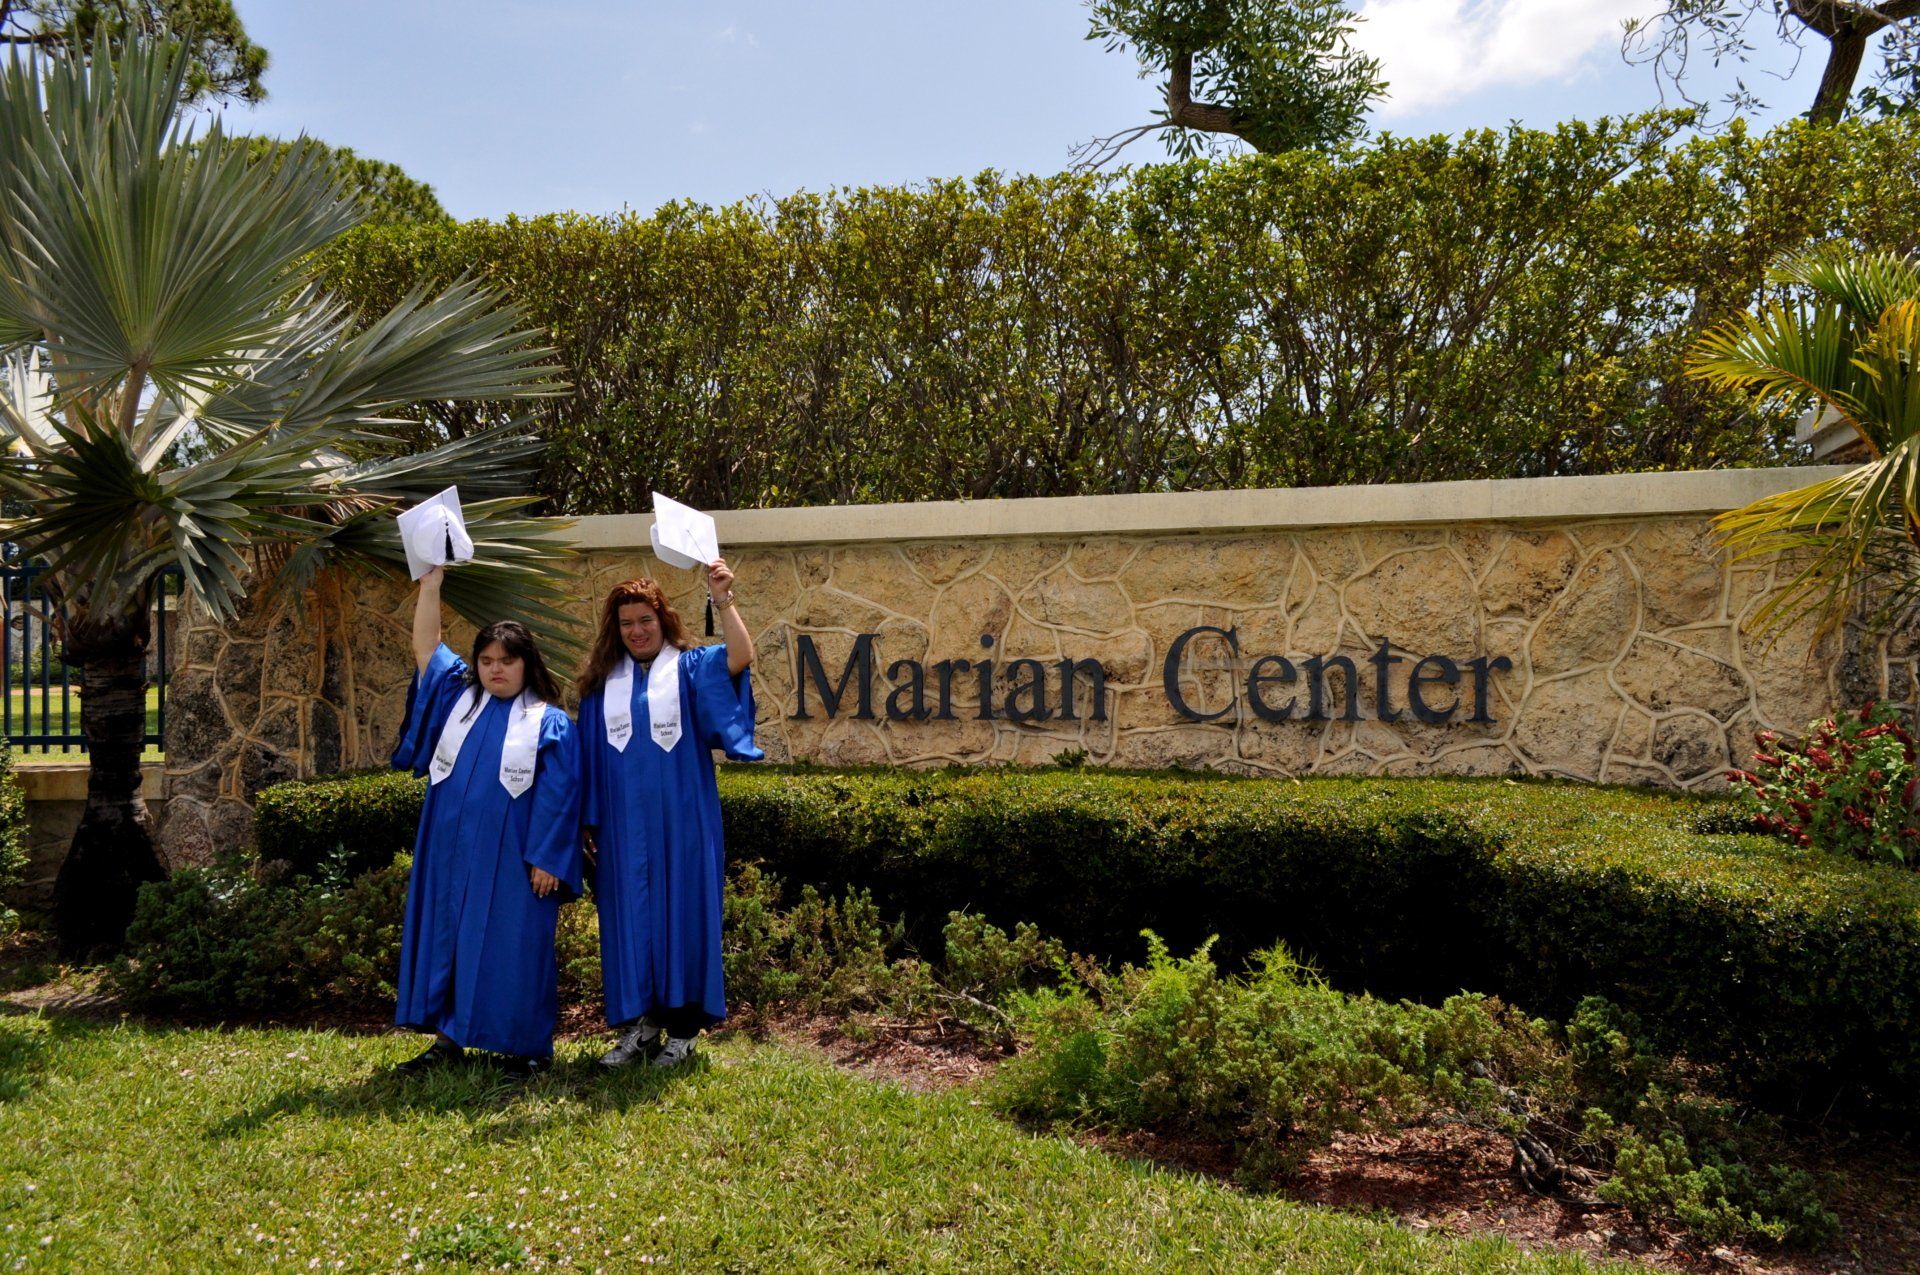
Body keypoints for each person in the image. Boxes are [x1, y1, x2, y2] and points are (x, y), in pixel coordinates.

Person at [389, 565, 583, 1077]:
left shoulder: (549, 721)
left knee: (515, 945)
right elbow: (427, 651)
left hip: (515, 860)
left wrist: (548, 857)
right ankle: (449, 1040)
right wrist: (430, 586)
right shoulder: (459, 701)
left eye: (507, 661)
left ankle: (526, 1049)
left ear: (526, 665)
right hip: (449, 851)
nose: (496, 669)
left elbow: (561, 795)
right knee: (449, 936)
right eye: (487, 660)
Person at [576, 562, 760, 1068]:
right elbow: (587, 761)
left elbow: (742, 657)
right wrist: (586, 822)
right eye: (627, 623)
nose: (637, 631)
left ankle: (684, 1031)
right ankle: (644, 1025)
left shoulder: (691, 668)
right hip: (620, 828)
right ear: (616, 630)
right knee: (631, 922)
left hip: (683, 821)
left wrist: (723, 599)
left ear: (663, 621)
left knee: (683, 914)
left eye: (645, 621)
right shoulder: (599, 688)